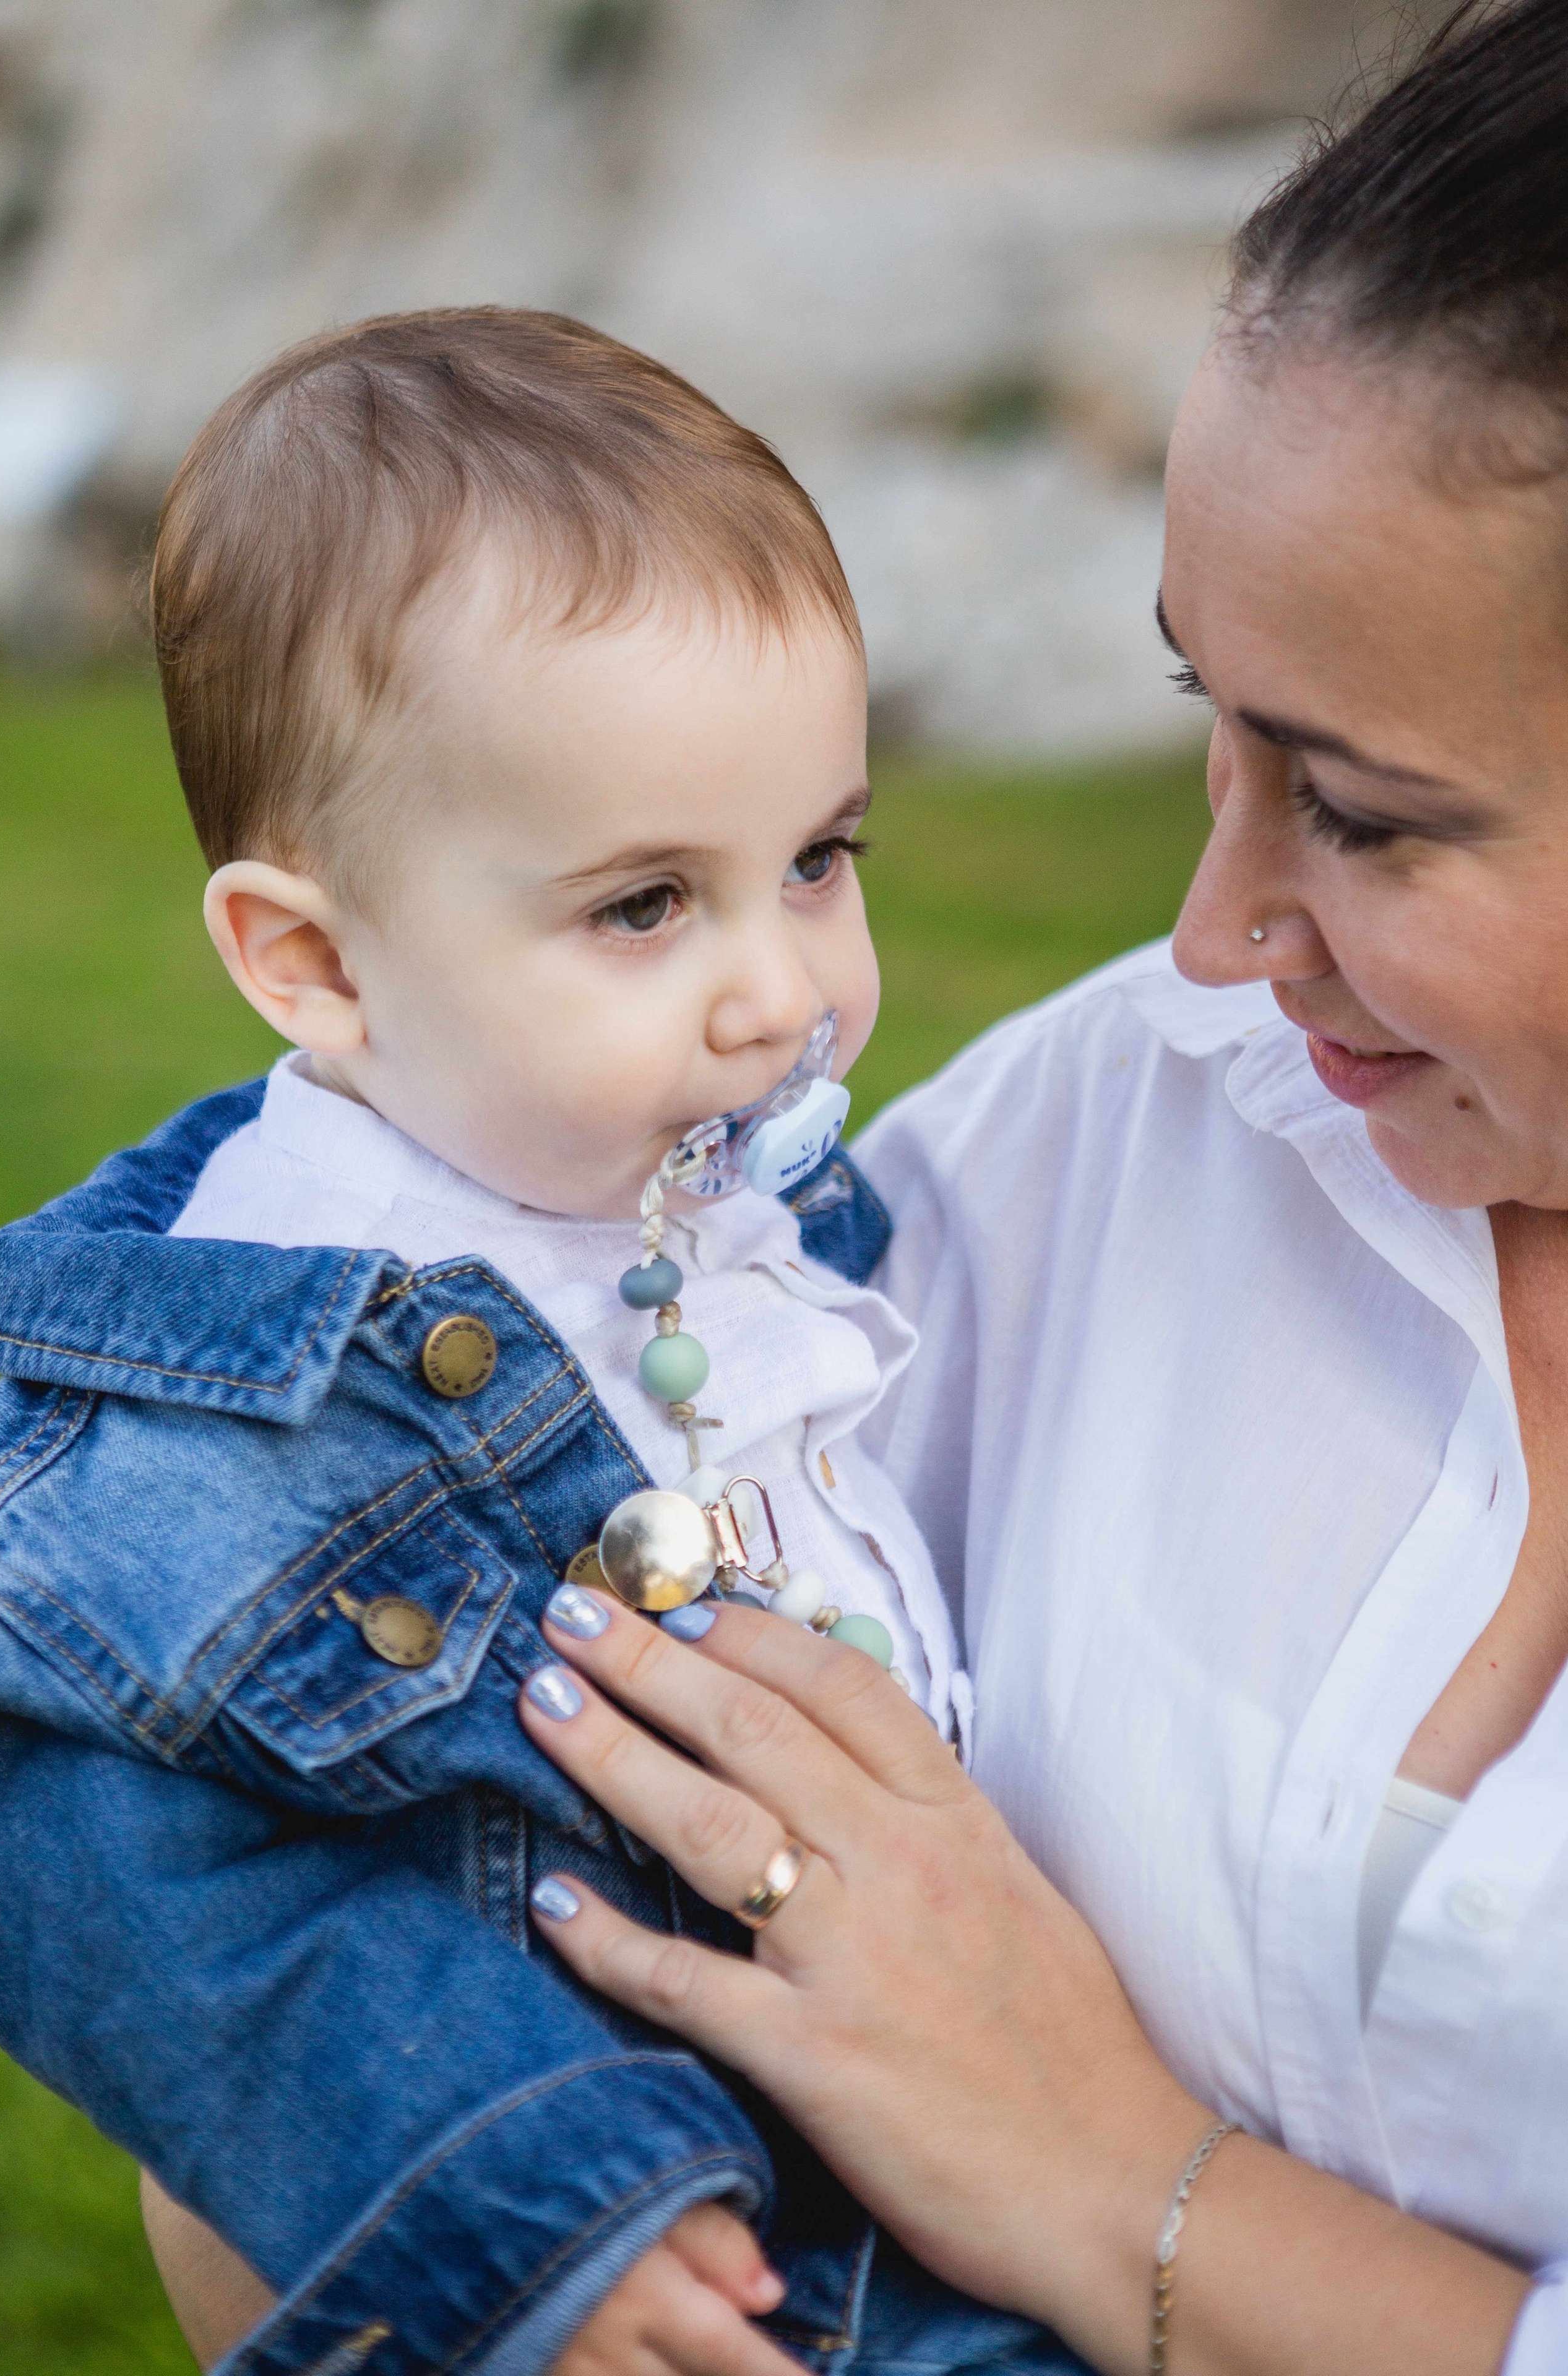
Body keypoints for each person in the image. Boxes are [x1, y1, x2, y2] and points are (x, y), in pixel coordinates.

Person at [498, 6, 1568, 2372]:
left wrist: (1117, 2186)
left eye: (1365, 811)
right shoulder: (1138, 1108)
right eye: (1213, 719)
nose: (1212, 934)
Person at [0, 308, 1063, 2376]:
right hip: (682, 2260)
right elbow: (108, 1871)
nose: (781, 995)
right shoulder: (258, 1401)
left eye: (818, 860)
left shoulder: (725, 1203)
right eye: (647, 906)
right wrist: (510, 2197)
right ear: (314, 963)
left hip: (950, 2170)